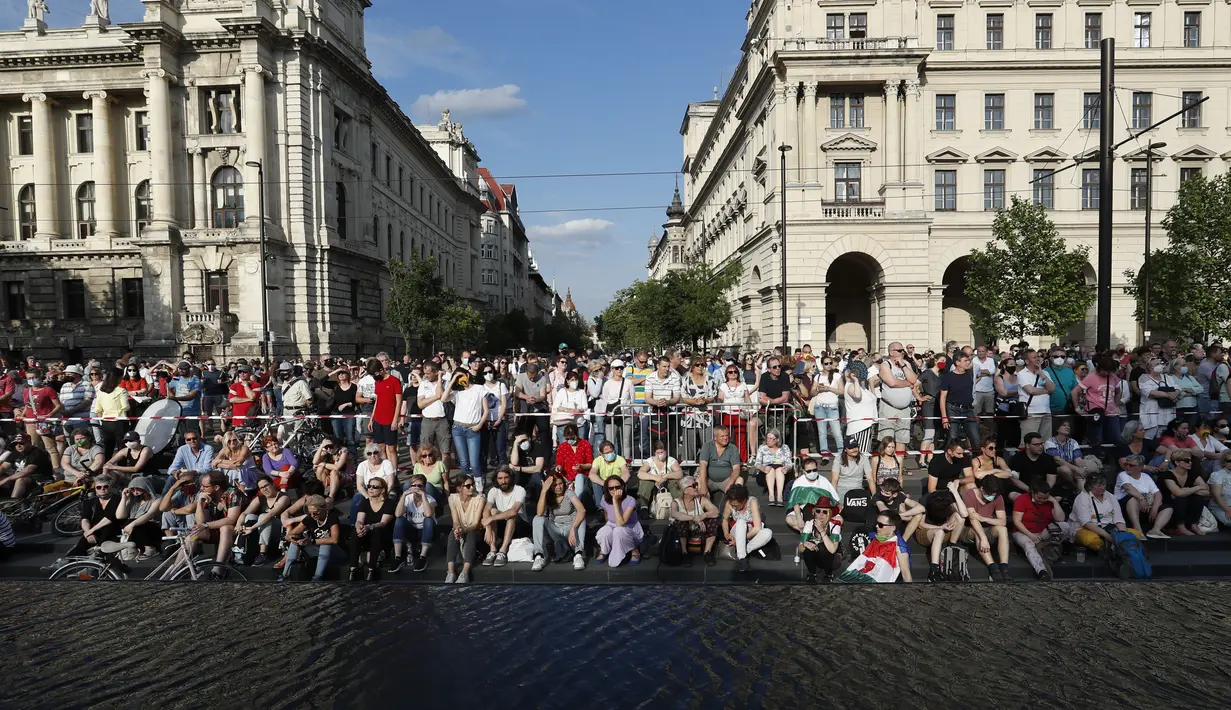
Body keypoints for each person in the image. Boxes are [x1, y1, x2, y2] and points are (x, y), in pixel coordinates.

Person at [1011, 479, 1077, 581]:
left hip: (1042, 532)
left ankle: (1048, 548)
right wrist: (1031, 535)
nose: (1041, 500)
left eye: (1045, 498)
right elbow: (1017, 521)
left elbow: (1061, 519)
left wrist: (1054, 501)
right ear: (1033, 493)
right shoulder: (1022, 499)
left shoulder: (1049, 501)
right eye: (1039, 497)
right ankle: (1042, 571)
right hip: (1023, 532)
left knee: (1065, 526)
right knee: (1028, 545)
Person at [531, 469, 587, 571]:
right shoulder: (547, 496)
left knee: (582, 518)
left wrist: (573, 528)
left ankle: (578, 555)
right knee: (537, 519)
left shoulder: (569, 493)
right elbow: (539, 513)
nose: (558, 487)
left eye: (560, 483)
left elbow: (582, 510)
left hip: (571, 528)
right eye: (555, 485)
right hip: (555, 529)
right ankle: (539, 556)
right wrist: (543, 491)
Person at [915, 480, 969, 582]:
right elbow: (921, 524)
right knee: (939, 532)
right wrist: (940, 528)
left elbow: (964, 514)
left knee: (960, 517)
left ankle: (951, 547)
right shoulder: (925, 499)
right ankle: (934, 570)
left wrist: (954, 491)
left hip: (944, 529)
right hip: (926, 532)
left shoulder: (948, 498)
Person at [961, 475, 1011, 581]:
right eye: (989, 494)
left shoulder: (997, 497)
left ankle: (1004, 568)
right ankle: (992, 568)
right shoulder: (970, 494)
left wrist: (983, 518)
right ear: (982, 489)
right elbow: (973, 519)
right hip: (969, 529)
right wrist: (983, 538)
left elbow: (1002, 521)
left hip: (987, 527)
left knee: (1003, 529)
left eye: (993, 495)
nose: (991, 497)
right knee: (977, 532)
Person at [280, 494, 341, 582]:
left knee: (325, 545)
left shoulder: (332, 518)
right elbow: (294, 532)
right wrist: (291, 537)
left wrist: (311, 541)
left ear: (323, 509)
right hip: (317, 551)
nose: (313, 515)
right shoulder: (311, 518)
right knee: (295, 542)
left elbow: (334, 540)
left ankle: (317, 577)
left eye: (315, 512)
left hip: (335, 552)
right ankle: (285, 574)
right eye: (310, 513)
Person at [1071, 474, 1133, 555]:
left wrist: (1122, 534)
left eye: (1104, 485)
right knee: (1093, 540)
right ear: (1090, 486)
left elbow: (1119, 519)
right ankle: (1106, 551)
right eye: (1099, 486)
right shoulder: (1082, 497)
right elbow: (1086, 523)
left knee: (1135, 535)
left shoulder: (1111, 496)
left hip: (1110, 528)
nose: (1103, 488)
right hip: (1087, 529)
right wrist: (1108, 536)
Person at [349, 476, 396, 581]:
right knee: (354, 533)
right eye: (369, 486)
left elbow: (383, 523)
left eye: (374, 487)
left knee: (376, 531)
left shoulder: (390, 503)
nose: (370, 489)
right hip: (367, 534)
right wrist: (358, 526)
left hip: (383, 536)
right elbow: (359, 520)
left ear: (382, 490)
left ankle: (372, 569)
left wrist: (369, 527)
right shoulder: (365, 502)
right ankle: (353, 569)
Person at [237, 475, 290, 566]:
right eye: (261, 488)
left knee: (263, 516)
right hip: (263, 531)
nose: (264, 489)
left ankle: (263, 554)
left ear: (273, 484)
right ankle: (240, 549)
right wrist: (238, 525)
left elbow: (271, 514)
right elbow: (244, 513)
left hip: (279, 532)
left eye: (266, 486)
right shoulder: (260, 498)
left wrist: (252, 528)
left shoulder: (283, 498)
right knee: (250, 517)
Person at [668, 475, 720, 567]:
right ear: (685, 490)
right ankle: (684, 553)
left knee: (713, 519)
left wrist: (703, 516)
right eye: (694, 485)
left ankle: (707, 552)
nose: (697, 487)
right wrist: (694, 518)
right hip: (683, 533)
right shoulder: (675, 503)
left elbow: (715, 511)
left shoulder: (701, 500)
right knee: (680, 521)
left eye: (696, 484)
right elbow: (675, 514)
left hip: (699, 532)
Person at [481, 466, 527, 567]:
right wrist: (488, 527)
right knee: (492, 511)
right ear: (496, 479)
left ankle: (502, 551)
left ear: (511, 477)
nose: (503, 481)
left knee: (511, 515)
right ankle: (492, 550)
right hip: (503, 526)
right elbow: (486, 509)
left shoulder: (520, 490)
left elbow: (514, 511)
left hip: (520, 526)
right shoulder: (493, 491)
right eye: (500, 478)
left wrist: (490, 519)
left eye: (506, 477)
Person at [67, 474, 123, 557]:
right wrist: (88, 533)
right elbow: (85, 519)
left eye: (105, 486)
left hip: (112, 531)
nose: (102, 489)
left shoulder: (117, 500)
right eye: (99, 487)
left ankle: (93, 561)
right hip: (95, 531)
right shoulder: (90, 502)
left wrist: (90, 531)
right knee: (81, 545)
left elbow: (109, 518)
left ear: (110, 487)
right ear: (95, 489)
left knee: (107, 529)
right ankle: (65, 562)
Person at [391, 473, 437, 573]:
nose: (416, 488)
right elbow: (398, 514)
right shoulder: (408, 498)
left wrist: (423, 496)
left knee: (428, 520)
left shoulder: (430, 499)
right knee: (399, 520)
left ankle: (423, 557)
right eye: (414, 485)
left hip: (426, 531)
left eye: (420, 486)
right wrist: (403, 495)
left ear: (424, 487)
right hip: (412, 531)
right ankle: (397, 557)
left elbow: (428, 514)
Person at [1158, 451, 1210, 536]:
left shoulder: (1192, 474)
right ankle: (1180, 526)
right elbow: (1178, 493)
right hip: (1169, 505)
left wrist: (1187, 490)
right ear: (1177, 462)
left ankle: (1193, 525)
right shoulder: (1167, 475)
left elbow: (1207, 491)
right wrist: (1197, 488)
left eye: (1190, 460)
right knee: (1180, 498)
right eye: (1186, 460)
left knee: (1198, 498)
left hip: (1187, 503)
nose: (1190, 463)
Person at [721, 483, 772, 572]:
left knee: (768, 533)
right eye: (732, 505)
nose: (734, 507)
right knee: (741, 521)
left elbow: (757, 528)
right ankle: (742, 558)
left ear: (744, 500)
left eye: (736, 505)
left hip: (751, 532)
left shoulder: (752, 502)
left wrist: (739, 541)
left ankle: (743, 549)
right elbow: (724, 519)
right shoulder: (729, 503)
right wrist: (726, 533)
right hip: (737, 530)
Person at [595, 475, 644, 567]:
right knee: (604, 531)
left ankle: (634, 549)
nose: (614, 490)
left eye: (617, 487)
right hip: (614, 526)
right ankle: (604, 550)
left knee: (619, 530)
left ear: (622, 487)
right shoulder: (604, 498)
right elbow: (607, 516)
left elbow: (621, 523)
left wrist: (615, 501)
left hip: (630, 528)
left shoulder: (630, 500)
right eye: (611, 488)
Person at [364, 358, 403, 469]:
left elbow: (399, 401)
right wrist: (372, 418)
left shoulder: (394, 381)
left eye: (374, 373)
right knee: (380, 447)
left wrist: (396, 419)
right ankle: (385, 470)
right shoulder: (377, 381)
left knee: (391, 449)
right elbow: (378, 401)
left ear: (381, 369)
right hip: (378, 419)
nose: (374, 376)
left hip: (390, 419)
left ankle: (394, 472)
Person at [446, 473, 485, 583]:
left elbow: (476, 523)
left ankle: (465, 573)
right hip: (462, 530)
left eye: (472, 485)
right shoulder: (452, 498)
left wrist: (464, 530)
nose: (472, 487)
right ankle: (451, 572)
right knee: (452, 533)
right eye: (468, 486)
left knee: (471, 533)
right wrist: (457, 528)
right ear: (459, 488)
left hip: (476, 531)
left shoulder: (479, 499)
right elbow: (455, 520)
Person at [878, 342, 917, 450]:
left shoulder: (906, 364)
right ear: (891, 352)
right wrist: (907, 383)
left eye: (902, 350)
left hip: (904, 409)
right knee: (887, 440)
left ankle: (899, 465)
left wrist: (903, 365)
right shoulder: (885, 365)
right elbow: (892, 383)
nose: (902, 352)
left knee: (902, 440)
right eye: (899, 351)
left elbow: (914, 380)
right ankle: (886, 465)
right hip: (889, 407)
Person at [717, 363, 758, 462]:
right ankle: (726, 459)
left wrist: (750, 410)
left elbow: (747, 398)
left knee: (741, 438)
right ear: (726, 374)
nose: (733, 374)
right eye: (730, 372)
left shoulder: (743, 384)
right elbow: (720, 398)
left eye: (735, 372)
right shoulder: (723, 385)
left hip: (740, 414)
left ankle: (742, 460)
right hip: (727, 414)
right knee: (725, 437)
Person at [696, 425, 742, 510]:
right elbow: (703, 466)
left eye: (727, 435)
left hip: (726, 480)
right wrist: (703, 485)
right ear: (715, 437)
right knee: (698, 481)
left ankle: (734, 510)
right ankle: (705, 510)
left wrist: (731, 482)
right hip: (709, 479)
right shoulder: (707, 446)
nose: (725, 438)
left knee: (739, 480)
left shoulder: (733, 448)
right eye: (722, 436)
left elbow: (736, 468)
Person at [116, 476, 161, 561]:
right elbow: (119, 516)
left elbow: (150, 515)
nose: (135, 493)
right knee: (128, 521)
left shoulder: (157, 499)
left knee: (135, 522)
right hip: (133, 528)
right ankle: (133, 549)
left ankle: (150, 548)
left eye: (138, 490)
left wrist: (132, 524)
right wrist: (124, 498)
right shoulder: (132, 500)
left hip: (152, 526)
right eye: (132, 490)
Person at [797, 498, 841, 583]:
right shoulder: (809, 524)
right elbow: (800, 549)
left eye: (824, 512)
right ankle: (812, 574)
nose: (821, 514)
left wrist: (821, 530)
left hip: (831, 559)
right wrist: (805, 544)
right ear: (814, 512)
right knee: (808, 546)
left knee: (822, 546)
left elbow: (832, 550)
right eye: (818, 511)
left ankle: (829, 574)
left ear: (829, 514)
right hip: (815, 557)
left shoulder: (835, 526)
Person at [940, 352, 979, 447]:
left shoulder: (969, 374)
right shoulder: (947, 377)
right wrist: (944, 417)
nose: (968, 362)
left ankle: (976, 460)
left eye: (968, 360)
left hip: (968, 409)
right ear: (957, 362)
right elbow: (942, 397)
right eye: (965, 361)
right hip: (953, 409)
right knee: (953, 439)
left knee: (976, 439)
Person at [635, 438, 683, 513]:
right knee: (645, 482)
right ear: (654, 453)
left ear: (666, 451)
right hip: (654, 483)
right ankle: (644, 508)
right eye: (658, 452)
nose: (660, 454)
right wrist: (655, 478)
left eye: (662, 452)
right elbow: (640, 473)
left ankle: (679, 506)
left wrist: (665, 476)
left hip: (667, 483)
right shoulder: (650, 461)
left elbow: (679, 473)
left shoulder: (671, 460)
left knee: (674, 482)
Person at [1007, 433, 1058, 499]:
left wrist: (1042, 492)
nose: (1040, 447)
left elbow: (1051, 480)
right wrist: (1031, 491)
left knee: (1058, 498)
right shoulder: (1017, 458)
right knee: (1013, 495)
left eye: (1041, 444)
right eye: (1036, 444)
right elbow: (1014, 480)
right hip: (1024, 490)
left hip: (1043, 491)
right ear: (1027, 445)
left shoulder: (1048, 459)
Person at [91, 369, 129, 456]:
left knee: (108, 447)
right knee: (121, 447)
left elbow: (98, 409)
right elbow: (125, 407)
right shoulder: (121, 390)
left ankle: (106, 466)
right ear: (118, 378)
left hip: (106, 422)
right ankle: (121, 466)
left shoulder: (100, 391)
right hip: (120, 421)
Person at [479, 363, 510, 470]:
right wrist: (485, 421)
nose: (488, 374)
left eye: (490, 372)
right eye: (485, 373)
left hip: (498, 419)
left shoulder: (501, 385)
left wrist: (499, 418)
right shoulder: (480, 387)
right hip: (485, 421)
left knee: (501, 448)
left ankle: (504, 471)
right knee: (485, 447)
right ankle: (483, 471)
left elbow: (504, 404)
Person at [352, 443, 396, 520]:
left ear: (380, 453)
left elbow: (391, 483)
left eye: (375, 452)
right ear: (366, 455)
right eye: (369, 453)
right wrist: (367, 496)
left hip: (385, 491)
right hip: (369, 491)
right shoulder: (362, 465)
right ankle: (354, 523)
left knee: (391, 500)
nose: (372, 455)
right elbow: (359, 485)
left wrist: (383, 495)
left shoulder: (387, 463)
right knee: (357, 497)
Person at [842, 360, 878, 453]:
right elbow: (857, 396)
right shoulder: (850, 385)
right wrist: (856, 380)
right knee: (861, 454)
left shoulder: (862, 387)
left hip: (867, 425)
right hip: (859, 426)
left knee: (864, 453)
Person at [552, 422, 593, 501]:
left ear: (577, 435)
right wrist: (559, 467)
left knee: (579, 477)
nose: (570, 440)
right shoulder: (562, 447)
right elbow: (559, 463)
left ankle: (576, 503)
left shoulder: (585, 444)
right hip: (567, 478)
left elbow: (591, 464)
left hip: (583, 476)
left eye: (572, 438)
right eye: (567, 439)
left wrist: (582, 466)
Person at [811, 355, 844, 454]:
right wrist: (818, 390)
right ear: (822, 365)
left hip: (832, 407)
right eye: (826, 364)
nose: (829, 365)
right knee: (822, 433)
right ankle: (824, 452)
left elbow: (842, 392)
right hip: (819, 407)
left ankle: (841, 452)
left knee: (837, 432)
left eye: (830, 363)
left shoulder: (837, 376)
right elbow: (812, 392)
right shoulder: (818, 376)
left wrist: (829, 388)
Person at [753, 429, 792, 507]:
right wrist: (763, 468)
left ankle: (779, 496)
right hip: (765, 472)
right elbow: (757, 463)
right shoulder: (762, 448)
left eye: (771, 438)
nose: (768, 440)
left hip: (781, 470)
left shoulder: (785, 448)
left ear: (777, 439)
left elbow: (789, 463)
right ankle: (771, 495)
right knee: (770, 469)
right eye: (767, 438)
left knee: (779, 469)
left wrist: (787, 468)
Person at [1044, 421, 1087, 490]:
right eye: (1064, 425)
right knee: (1065, 469)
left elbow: (1078, 459)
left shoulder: (1073, 442)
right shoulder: (1050, 442)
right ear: (1057, 429)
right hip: (1055, 469)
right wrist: (1076, 469)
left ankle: (1083, 495)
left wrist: (1082, 468)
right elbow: (1058, 460)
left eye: (1068, 426)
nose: (1067, 427)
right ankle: (1074, 487)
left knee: (1081, 474)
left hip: (1071, 467)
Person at [587, 439, 630, 505]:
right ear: (601, 454)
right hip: (603, 484)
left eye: (611, 451)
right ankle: (600, 507)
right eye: (607, 453)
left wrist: (619, 483)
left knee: (625, 483)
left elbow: (626, 473)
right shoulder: (597, 460)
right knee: (595, 484)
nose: (610, 454)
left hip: (617, 483)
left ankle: (622, 503)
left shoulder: (620, 459)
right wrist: (604, 483)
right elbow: (592, 474)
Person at [310, 437, 350, 506]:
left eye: (331, 446)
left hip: (346, 474)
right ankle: (323, 492)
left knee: (333, 472)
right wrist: (321, 447)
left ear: (336, 445)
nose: (328, 449)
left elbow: (337, 467)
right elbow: (314, 462)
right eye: (326, 447)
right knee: (320, 469)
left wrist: (323, 464)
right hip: (331, 474)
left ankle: (331, 498)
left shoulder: (344, 451)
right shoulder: (326, 450)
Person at [830, 436, 872, 501]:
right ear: (845, 449)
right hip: (842, 492)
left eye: (855, 447)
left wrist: (875, 497)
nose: (854, 449)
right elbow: (834, 480)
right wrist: (834, 498)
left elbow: (870, 479)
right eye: (851, 448)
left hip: (858, 490)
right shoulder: (838, 459)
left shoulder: (864, 458)